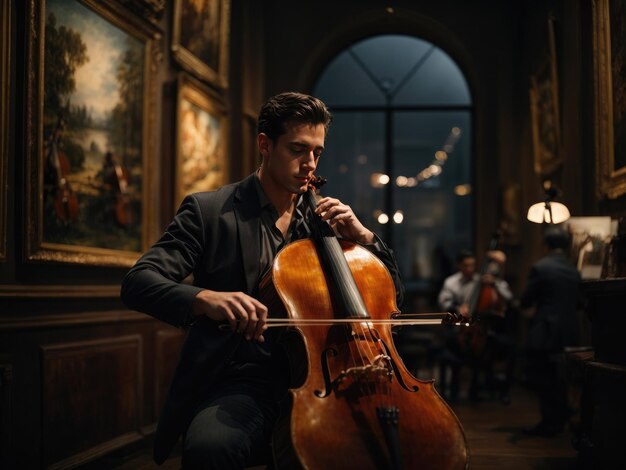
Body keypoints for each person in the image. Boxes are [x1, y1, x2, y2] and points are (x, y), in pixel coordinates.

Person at [120, 92, 404, 468]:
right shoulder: (209, 211)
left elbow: (390, 298)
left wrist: (365, 238)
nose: (310, 164)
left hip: (328, 379)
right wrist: (205, 298)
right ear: (264, 145)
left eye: (317, 152)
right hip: (242, 382)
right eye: (298, 150)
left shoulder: (327, 222)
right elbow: (139, 282)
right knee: (210, 450)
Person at [520, 225, 581, 436]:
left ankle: (551, 420)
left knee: (539, 375)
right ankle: (558, 417)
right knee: (559, 376)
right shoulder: (574, 269)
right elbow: (579, 302)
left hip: (545, 330)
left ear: (545, 244)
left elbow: (527, 300)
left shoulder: (541, 267)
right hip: (570, 329)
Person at [437, 249, 513, 402]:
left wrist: (495, 282)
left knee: (501, 346)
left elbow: (508, 296)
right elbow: (443, 303)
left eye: (472, 265)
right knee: (454, 344)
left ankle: (490, 390)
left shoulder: (483, 281)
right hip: (459, 328)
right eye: (466, 266)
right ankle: (455, 391)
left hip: (482, 329)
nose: (470, 269)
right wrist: (458, 308)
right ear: (459, 266)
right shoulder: (451, 282)